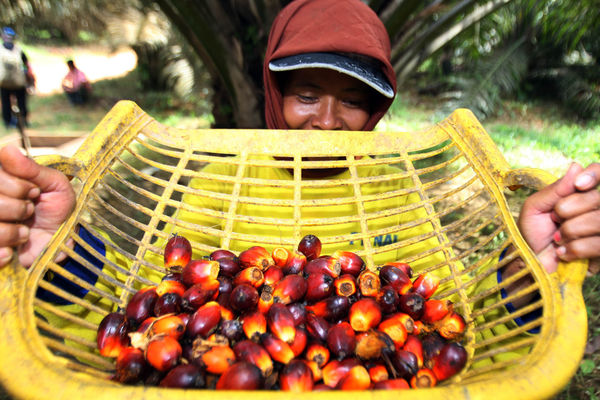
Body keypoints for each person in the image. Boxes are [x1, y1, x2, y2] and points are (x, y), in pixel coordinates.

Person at [0, 0, 598, 356]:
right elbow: (148, 309)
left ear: (379, 111)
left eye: (354, 103)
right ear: (273, 93)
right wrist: (60, 255)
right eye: (306, 95)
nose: (329, 122)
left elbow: (456, 327)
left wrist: (529, 269)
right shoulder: (214, 188)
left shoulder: (400, 197)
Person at [0, 27, 33, 128]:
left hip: (5, 83)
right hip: (18, 82)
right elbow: (26, 66)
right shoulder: (19, 50)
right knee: (21, 102)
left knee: (6, 103)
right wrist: (29, 78)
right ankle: (23, 121)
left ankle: (9, 122)